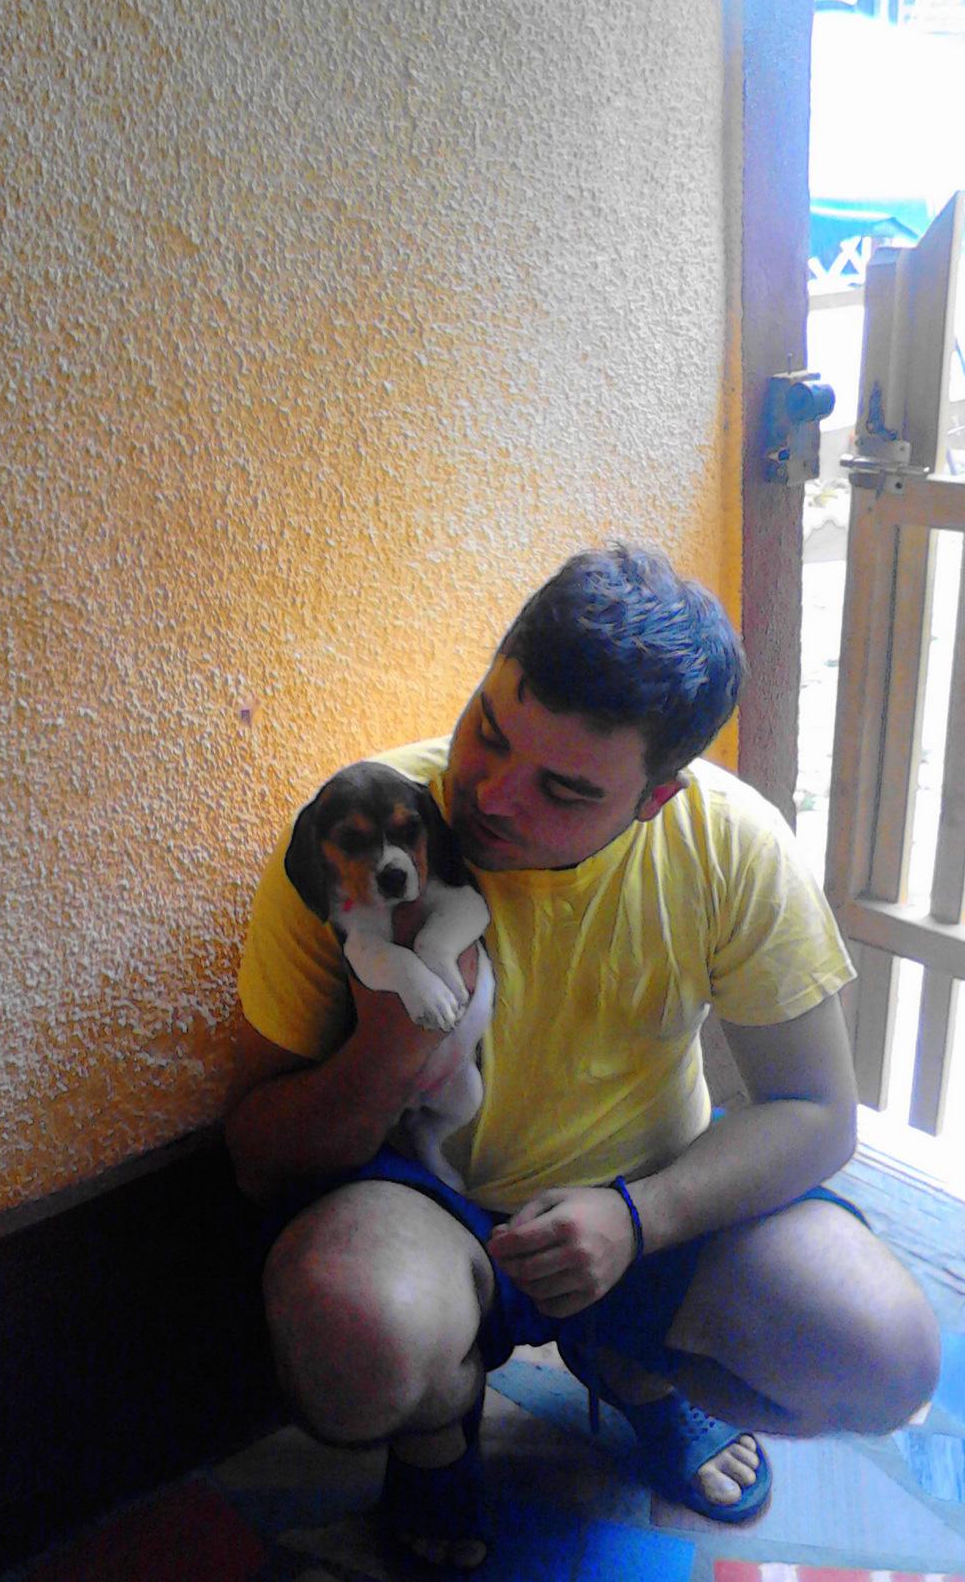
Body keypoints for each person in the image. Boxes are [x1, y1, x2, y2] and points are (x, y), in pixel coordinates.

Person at [224, 543, 940, 1571]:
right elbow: (255, 1152)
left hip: (649, 1194)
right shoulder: (362, 830)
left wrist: (643, 1218)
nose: (491, 796)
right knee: (347, 1346)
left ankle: (632, 1357)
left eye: (563, 788)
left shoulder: (729, 843)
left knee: (885, 1355)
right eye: (488, 728)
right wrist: (386, 1054)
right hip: (428, 1204)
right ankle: (436, 1433)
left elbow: (820, 1113)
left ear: (655, 799)